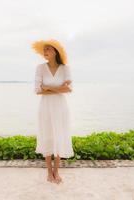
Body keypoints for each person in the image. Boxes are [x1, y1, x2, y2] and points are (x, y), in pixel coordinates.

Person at [31, 39, 74, 184]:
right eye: (44, 50)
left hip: (60, 107)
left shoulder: (65, 68)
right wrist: (57, 89)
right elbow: (37, 90)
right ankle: (49, 173)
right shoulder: (40, 68)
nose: (45, 52)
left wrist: (48, 88)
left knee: (59, 137)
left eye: (48, 49)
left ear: (55, 51)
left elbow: (68, 89)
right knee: (47, 137)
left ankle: (57, 172)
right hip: (46, 107)